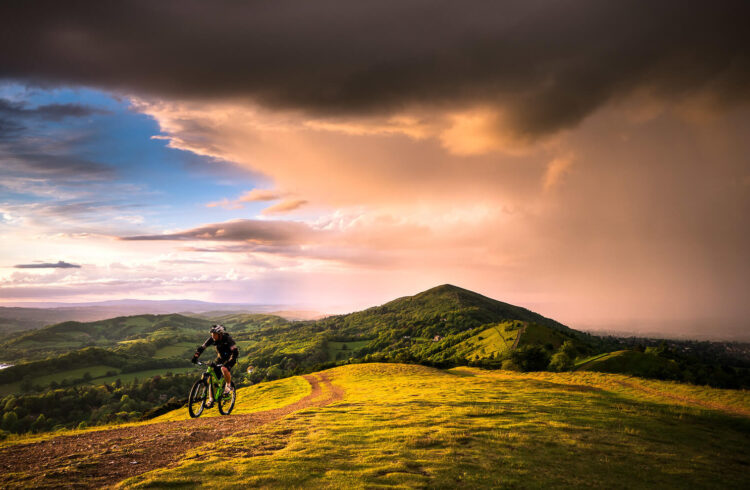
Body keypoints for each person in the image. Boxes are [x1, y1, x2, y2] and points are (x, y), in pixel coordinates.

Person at [191, 324, 239, 401]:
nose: (213, 336)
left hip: (231, 358)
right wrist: (195, 357)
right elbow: (202, 348)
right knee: (211, 378)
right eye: (212, 334)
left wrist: (231, 361)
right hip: (220, 358)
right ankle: (211, 399)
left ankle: (228, 386)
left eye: (214, 334)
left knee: (224, 368)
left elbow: (235, 351)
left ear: (220, 334)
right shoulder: (212, 339)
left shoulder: (228, 339)